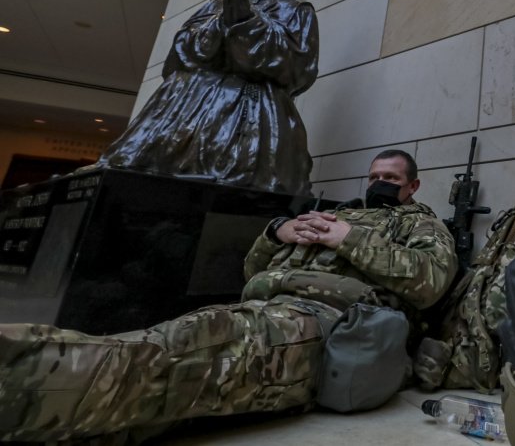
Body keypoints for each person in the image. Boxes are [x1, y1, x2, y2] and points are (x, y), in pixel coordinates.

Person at [0, 149, 457, 444]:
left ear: (412, 186)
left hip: (325, 323)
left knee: (173, 353)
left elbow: (430, 283)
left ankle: (16, 373)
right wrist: (278, 231)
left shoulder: (418, 224)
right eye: (375, 175)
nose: (380, 182)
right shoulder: (335, 212)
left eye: (392, 178)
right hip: (263, 307)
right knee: (166, 375)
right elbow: (254, 272)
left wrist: (347, 240)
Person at [98, 0, 319, 195]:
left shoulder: (297, 10)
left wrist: (247, 24)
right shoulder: (219, 0)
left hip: (254, 102)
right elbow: (182, 48)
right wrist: (219, 23)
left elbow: (300, 67)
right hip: (193, 95)